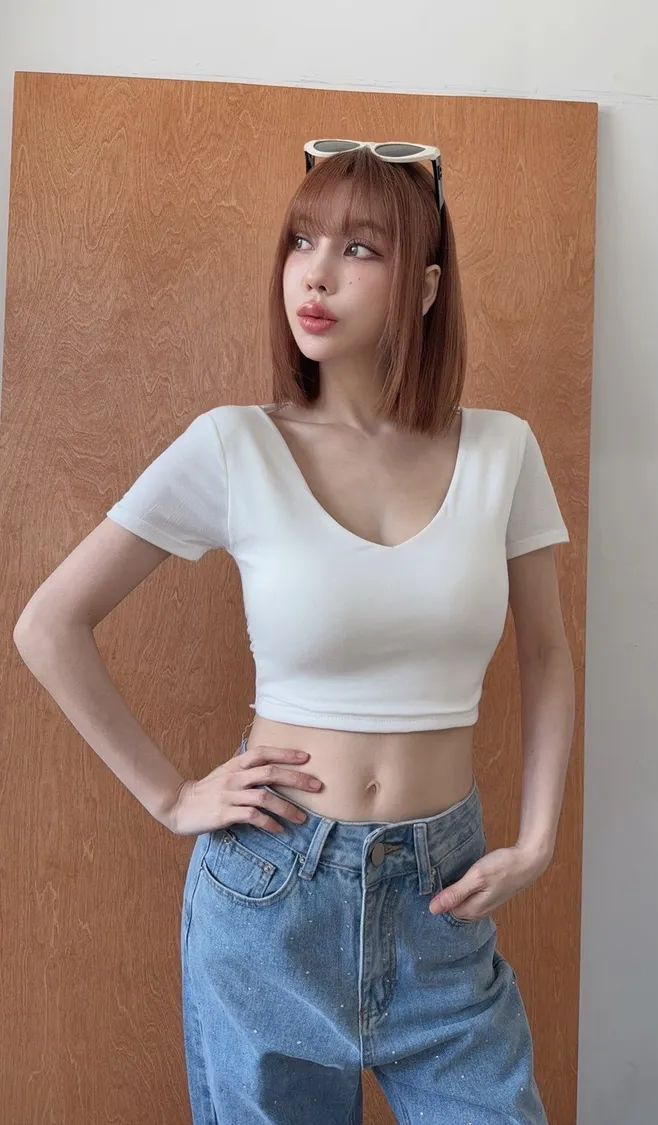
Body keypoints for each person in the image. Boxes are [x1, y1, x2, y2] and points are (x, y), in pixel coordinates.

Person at [14, 139, 575, 1125]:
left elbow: (546, 653)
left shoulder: (503, 450)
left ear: (426, 286)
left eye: (360, 249)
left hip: (443, 898)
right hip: (272, 896)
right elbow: (49, 624)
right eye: (302, 241)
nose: (314, 274)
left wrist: (536, 841)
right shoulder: (234, 445)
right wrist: (171, 795)